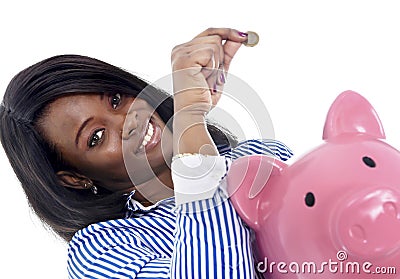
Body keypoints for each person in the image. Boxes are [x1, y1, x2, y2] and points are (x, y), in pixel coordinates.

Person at [0, 28, 293, 278]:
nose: (129, 121)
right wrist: (190, 118)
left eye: (116, 99)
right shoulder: (101, 252)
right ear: (75, 178)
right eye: (96, 137)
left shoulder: (259, 157)